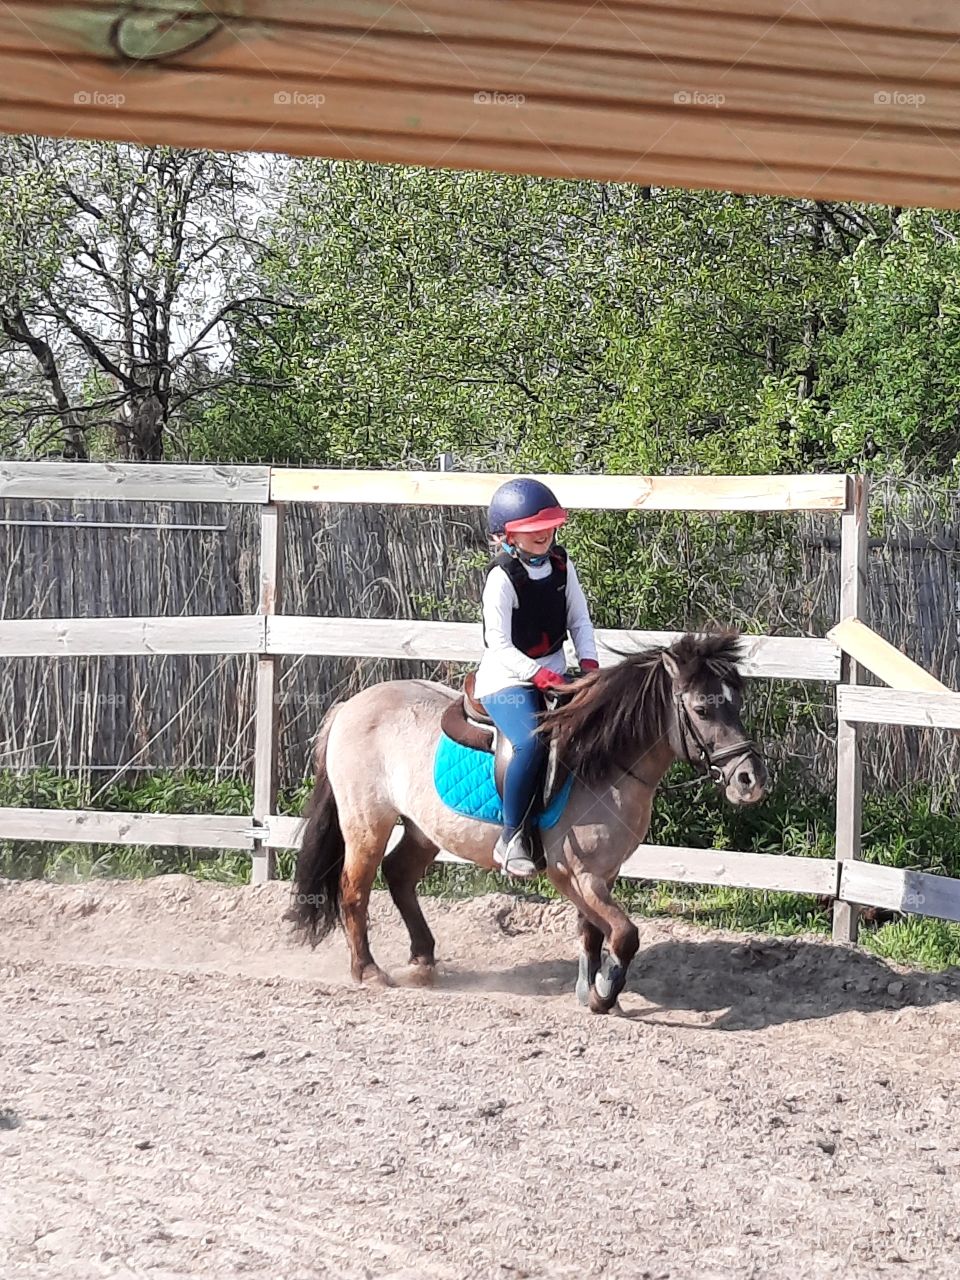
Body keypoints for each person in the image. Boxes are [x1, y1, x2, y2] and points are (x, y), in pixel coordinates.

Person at [474, 477, 600, 878]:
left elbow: (579, 620)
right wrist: (537, 675)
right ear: (508, 535)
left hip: (556, 673)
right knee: (531, 742)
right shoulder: (501, 578)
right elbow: (498, 644)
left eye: (548, 526)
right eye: (531, 530)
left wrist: (590, 664)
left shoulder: (563, 565)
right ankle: (511, 837)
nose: (544, 534)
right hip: (507, 678)